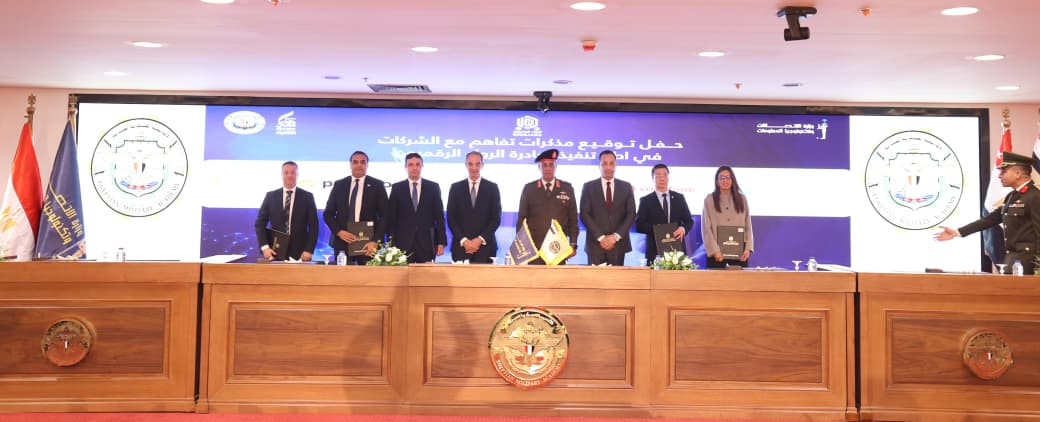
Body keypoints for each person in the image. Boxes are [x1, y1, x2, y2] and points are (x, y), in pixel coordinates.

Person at [935, 151, 1040, 274]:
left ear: (1017, 174)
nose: (999, 175)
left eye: (1004, 171)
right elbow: (990, 219)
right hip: (1013, 259)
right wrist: (957, 232)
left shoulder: (1034, 196)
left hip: (1029, 261)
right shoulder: (1012, 196)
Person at [323, 151, 389, 264]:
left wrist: (375, 241)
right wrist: (339, 232)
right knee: (343, 275)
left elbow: (385, 216)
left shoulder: (377, 185)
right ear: (350, 165)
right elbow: (328, 214)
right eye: (355, 162)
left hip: (368, 244)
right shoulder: (339, 185)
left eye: (363, 162)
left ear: (367, 165)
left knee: (368, 275)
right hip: (343, 242)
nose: (359, 165)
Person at [517, 149, 579, 265]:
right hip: (535, 249)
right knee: (535, 277)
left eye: (551, 165)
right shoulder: (529, 189)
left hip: (558, 247)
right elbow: (521, 219)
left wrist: (573, 243)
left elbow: (573, 219)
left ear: (556, 167)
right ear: (539, 168)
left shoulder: (567, 188)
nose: (548, 168)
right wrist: (522, 246)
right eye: (544, 165)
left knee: (557, 277)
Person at [387, 153, 447, 263]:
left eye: (417, 164)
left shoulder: (433, 187)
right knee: (402, 274)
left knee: (426, 274)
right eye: (410, 165)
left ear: (422, 166)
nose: (414, 168)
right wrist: (391, 244)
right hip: (402, 245)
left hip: (427, 244)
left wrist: (441, 242)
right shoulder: (397, 188)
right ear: (405, 167)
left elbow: (439, 217)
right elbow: (392, 219)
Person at [580, 150, 636, 266]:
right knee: (594, 278)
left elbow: (631, 214)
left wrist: (615, 237)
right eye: (604, 164)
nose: (608, 167)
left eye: (611, 163)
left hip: (618, 245)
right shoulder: (588, 187)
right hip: (595, 245)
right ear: (599, 166)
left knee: (617, 278)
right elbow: (585, 214)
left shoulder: (626, 187)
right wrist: (601, 237)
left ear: (615, 165)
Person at [254, 161, 319, 261]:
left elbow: (314, 226)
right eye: (286, 172)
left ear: (297, 175)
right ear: (281, 175)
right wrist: (264, 247)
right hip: (275, 251)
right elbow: (260, 223)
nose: (289, 175)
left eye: (293, 172)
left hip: (301, 253)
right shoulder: (270, 196)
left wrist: (309, 250)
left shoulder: (307, 197)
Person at [446, 151, 502, 263]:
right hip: (461, 248)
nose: (474, 168)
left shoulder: (492, 188)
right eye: (470, 164)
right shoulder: (455, 188)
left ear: (482, 165)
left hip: (486, 249)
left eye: (477, 164)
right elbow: (451, 218)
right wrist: (464, 240)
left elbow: (496, 218)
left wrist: (479, 240)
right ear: (466, 165)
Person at [635, 163, 693, 266]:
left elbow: (689, 221)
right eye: (658, 175)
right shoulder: (645, 200)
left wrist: (683, 228)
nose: (662, 178)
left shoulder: (679, 198)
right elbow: (639, 225)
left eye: (664, 175)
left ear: (668, 177)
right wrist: (658, 230)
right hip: (655, 251)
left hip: (677, 250)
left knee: (678, 277)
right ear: (652, 178)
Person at [702, 166, 754, 268]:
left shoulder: (742, 199)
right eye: (721, 177)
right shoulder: (709, 199)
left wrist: (748, 248)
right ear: (717, 181)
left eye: (728, 177)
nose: (725, 180)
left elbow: (748, 225)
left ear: (732, 180)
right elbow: (706, 228)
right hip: (717, 253)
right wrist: (714, 251)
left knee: (740, 278)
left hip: (739, 252)